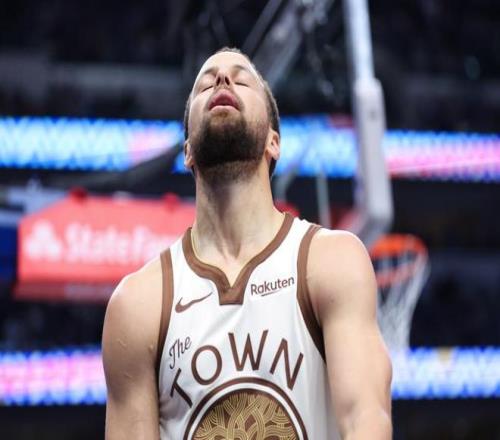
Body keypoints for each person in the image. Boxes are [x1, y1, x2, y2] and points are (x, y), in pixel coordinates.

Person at [102, 47, 392, 439]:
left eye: (241, 79)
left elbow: (365, 421)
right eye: (206, 83)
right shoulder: (139, 303)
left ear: (274, 142)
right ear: (187, 151)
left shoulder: (329, 260)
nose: (222, 79)